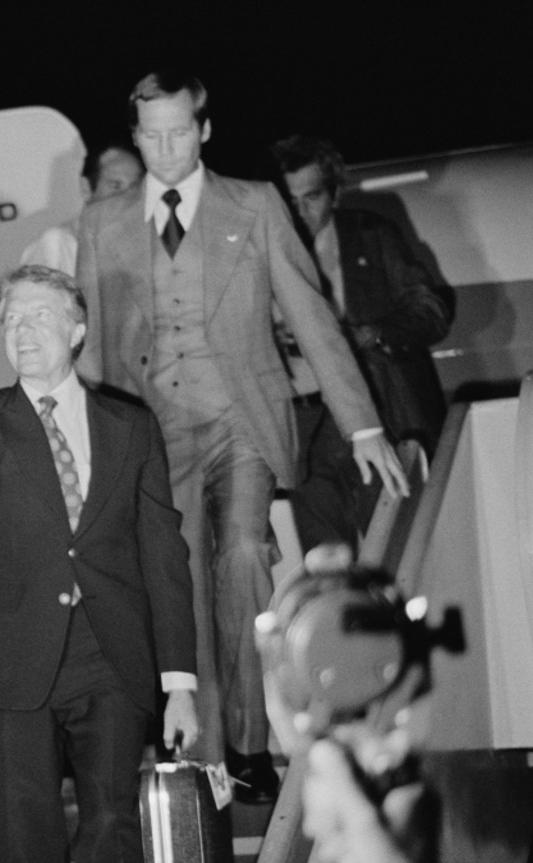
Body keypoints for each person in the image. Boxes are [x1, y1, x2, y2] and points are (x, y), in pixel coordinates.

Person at [75, 70, 410, 803]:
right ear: (135, 136)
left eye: (178, 131)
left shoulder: (254, 206)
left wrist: (363, 424)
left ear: (204, 129)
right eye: (149, 134)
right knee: (180, 579)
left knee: (242, 554)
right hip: (153, 431)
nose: (164, 148)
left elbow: (312, 313)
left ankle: (254, 740)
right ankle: (211, 756)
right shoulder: (101, 223)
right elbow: (95, 346)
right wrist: (91, 450)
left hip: (241, 418)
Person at [0, 264, 198, 862]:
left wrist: (179, 683)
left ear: (77, 330)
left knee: (112, 825)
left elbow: (163, 555)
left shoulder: (129, 425)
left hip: (110, 652)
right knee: (21, 835)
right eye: (12, 320)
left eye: (40, 315)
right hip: (11, 657)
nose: (22, 331)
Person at [271, 135, 453, 553]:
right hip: (305, 434)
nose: (300, 211)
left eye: (311, 196)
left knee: (395, 550)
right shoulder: (263, 253)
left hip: (381, 419)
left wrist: (370, 335)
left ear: (334, 194)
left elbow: (431, 311)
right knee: (324, 563)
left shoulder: (372, 235)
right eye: (289, 200)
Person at [20, 142, 143, 274]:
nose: (127, 197)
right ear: (86, 188)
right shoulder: (57, 245)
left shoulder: (145, 240)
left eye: (134, 187)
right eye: (115, 186)